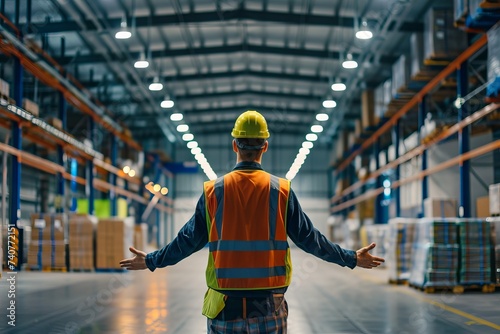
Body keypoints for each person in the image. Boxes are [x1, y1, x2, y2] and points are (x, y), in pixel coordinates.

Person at [120, 110, 385, 334]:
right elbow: (310, 239)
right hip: (269, 306)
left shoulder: (214, 191)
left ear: (234, 145)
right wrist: (350, 257)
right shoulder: (280, 191)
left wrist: (152, 260)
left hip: (224, 306)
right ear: (265, 146)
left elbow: (187, 241)